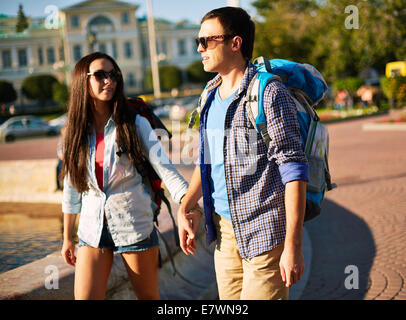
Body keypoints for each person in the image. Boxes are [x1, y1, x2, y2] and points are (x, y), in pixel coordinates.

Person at [177, 7, 309, 300]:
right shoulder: (209, 94)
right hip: (224, 233)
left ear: (235, 43)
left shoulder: (269, 93)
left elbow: (294, 170)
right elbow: (207, 160)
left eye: (208, 41)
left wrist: (293, 246)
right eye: (198, 41)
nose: (200, 48)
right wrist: (187, 205)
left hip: (264, 231)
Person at [60, 52, 192, 300]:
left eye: (113, 75)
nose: (109, 81)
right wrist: (68, 238)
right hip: (92, 231)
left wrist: (187, 206)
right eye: (100, 75)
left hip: (134, 226)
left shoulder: (135, 123)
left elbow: (167, 171)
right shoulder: (73, 132)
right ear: (82, 81)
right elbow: (71, 188)